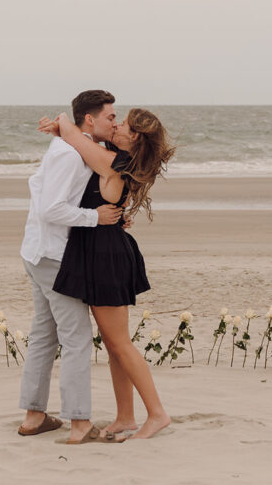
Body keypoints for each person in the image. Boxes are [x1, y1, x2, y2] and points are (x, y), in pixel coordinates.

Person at [40, 108, 175, 440]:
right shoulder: (116, 157)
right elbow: (76, 143)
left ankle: (157, 414)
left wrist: (62, 121)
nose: (116, 125)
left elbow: (75, 137)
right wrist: (60, 131)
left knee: (121, 344)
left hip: (105, 255)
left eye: (124, 124)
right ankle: (126, 417)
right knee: (115, 345)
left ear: (136, 137)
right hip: (101, 250)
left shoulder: (116, 162)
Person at [18, 90, 122, 444]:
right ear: (90, 120)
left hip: (36, 251)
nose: (115, 121)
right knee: (77, 339)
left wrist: (62, 126)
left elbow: (38, 189)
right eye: (110, 116)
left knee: (44, 336)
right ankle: (79, 423)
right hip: (52, 257)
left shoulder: (70, 147)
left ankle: (34, 417)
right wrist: (95, 217)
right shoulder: (69, 154)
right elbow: (51, 208)